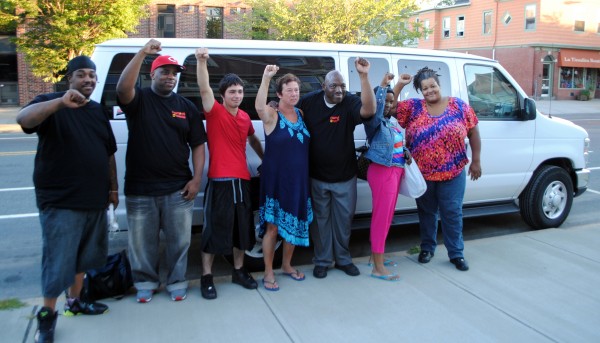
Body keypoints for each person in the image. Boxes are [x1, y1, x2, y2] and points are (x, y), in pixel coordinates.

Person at [17, 55, 118, 343]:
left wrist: (112, 190)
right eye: (82, 75)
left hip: (95, 199)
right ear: (70, 78)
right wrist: (60, 103)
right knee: (58, 260)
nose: (88, 79)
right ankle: (47, 318)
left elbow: (108, 151)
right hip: (61, 200)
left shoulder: (97, 111)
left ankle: (75, 302)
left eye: (92, 75)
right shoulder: (49, 101)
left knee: (85, 257)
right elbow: (24, 120)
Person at [116, 39, 207, 303]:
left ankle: (177, 281)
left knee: (180, 243)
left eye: (174, 73)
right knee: (142, 244)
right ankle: (145, 282)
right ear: (151, 74)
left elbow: (198, 145)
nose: (170, 77)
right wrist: (143, 52)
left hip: (178, 189)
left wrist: (196, 179)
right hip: (140, 188)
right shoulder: (139, 101)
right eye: (164, 72)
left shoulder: (186, 107)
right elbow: (123, 88)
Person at [394, 67, 482, 271]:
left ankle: (456, 253)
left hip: (453, 172)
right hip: (423, 174)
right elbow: (389, 108)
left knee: (452, 212)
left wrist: (476, 160)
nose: (430, 90)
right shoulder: (414, 108)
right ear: (420, 91)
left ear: (439, 85)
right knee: (426, 213)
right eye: (425, 88)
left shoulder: (458, 106)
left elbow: (474, 132)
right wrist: (399, 85)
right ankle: (427, 248)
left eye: (432, 85)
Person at [296, 58, 376, 279]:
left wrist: (364, 76)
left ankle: (343, 259)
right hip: (317, 176)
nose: (339, 90)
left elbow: (369, 110)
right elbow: (289, 115)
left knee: (343, 221)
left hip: (345, 176)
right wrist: (274, 105)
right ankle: (322, 261)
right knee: (320, 222)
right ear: (323, 87)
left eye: (342, 86)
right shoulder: (309, 102)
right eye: (333, 86)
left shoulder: (349, 102)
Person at [195, 47, 264, 299]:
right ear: (223, 95)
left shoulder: (245, 117)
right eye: (232, 92)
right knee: (214, 230)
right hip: (220, 181)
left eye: (239, 91)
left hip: (242, 181)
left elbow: (253, 139)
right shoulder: (214, 112)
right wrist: (201, 61)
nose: (237, 95)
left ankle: (238, 271)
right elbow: (204, 89)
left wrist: (264, 158)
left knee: (242, 230)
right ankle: (206, 277)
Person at [254, 65, 312, 291]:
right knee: (273, 228)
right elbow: (259, 106)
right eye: (289, 90)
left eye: (296, 90)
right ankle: (268, 272)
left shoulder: (301, 115)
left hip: (298, 181)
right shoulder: (271, 115)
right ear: (279, 94)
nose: (294, 94)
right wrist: (266, 77)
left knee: (295, 224)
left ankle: (287, 265)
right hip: (277, 181)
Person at [363, 72, 413, 281]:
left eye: (393, 102)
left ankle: (375, 259)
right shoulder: (374, 121)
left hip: (395, 171)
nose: (390, 105)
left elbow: (396, 144)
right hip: (382, 172)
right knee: (381, 219)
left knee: (387, 218)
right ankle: (377, 267)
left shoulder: (390, 122)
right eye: (386, 101)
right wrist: (383, 85)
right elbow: (378, 107)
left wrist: (406, 152)